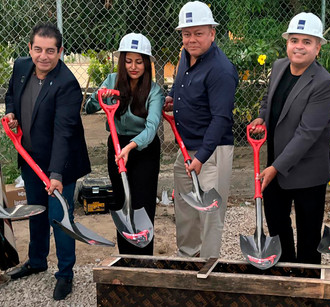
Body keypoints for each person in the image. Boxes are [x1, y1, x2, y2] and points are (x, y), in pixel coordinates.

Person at [4, 22, 91, 300]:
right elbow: (10, 96)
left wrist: (56, 174)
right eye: (38, 49)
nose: (43, 56)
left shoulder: (67, 85)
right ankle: (37, 260)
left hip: (61, 164)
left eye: (50, 51)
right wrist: (11, 114)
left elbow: (64, 134)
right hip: (30, 158)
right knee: (36, 211)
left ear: (60, 51)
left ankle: (65, 274)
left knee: (60, 218)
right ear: (30, 48)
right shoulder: (20, 67)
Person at [249, 12, 330, 264]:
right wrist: (261, 118)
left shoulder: (323, 83)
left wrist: (275, 168)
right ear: (287, 43)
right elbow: (269, 100)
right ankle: (285, 275)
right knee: (277, 226)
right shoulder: (278, 67)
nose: (299, 46)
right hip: (275, 166)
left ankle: (307, 288)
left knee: (308, 238)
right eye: (294, 40)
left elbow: (307, 133)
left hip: (307, 172)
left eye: (307, 42)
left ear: (317, 48)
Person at [164, 1, 238, 259]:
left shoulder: (221, 70)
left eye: (198, 33)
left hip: (212, 151)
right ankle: (188, 256)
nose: (191, 39)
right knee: (185, 206)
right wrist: (173, 96)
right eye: (186, 33)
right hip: (187, 148)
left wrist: (201, 157)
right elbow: (181, 83)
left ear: (212, 33)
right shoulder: (186, 54)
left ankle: (207, 265)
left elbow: (220, 119)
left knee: (210, 213)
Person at [85, 33, 164, 255]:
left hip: (144, 149)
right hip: (117, 145)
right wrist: (97, 97)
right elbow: (89, 108)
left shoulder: (154, 90)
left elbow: (151, 128)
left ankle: (144, 259)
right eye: (128, 61)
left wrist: (130, 147)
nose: (133, 66)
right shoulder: (111, 81)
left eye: (139, 61)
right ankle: (126, 257)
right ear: (122, 61)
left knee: (143, 202)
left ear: (147, 63)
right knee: (122, 200)